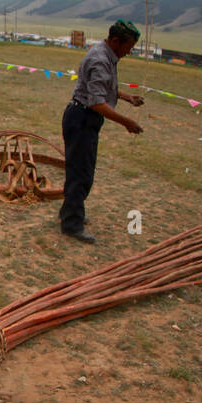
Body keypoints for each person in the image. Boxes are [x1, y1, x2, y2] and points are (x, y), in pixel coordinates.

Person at [58, 20, 145, 243]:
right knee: (81, 173)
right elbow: (96, 102)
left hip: (83, 117)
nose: (129, 51)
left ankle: (70, 212)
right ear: (116, 41)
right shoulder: (99, 60)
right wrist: (127, 122)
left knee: (80, 170)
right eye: (128, 46)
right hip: (83, 119)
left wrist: (126, 97)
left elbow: (102, 89)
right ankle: (71, 224)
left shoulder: (106, 55)